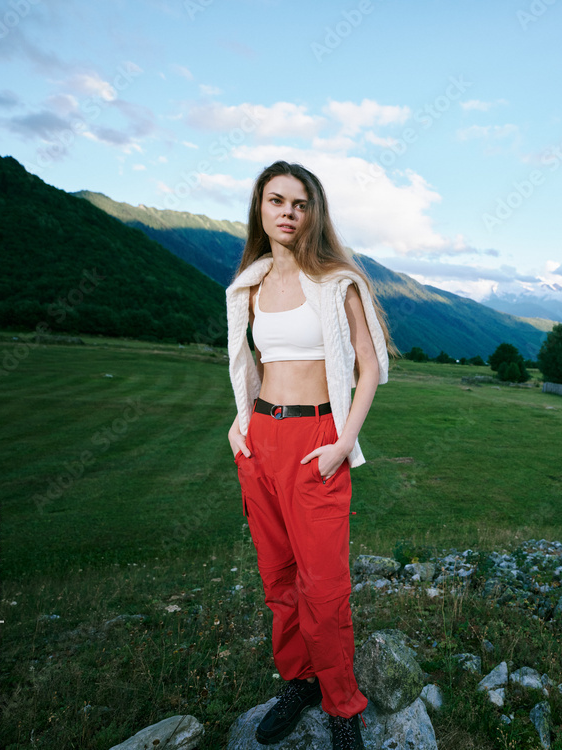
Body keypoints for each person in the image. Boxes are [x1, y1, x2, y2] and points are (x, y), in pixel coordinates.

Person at [225, 161, 391, 749]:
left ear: (313, 212)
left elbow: (372, 366)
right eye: (276, 201)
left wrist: (344, 441)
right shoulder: (251, 283)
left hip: (316, 441)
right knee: (279, 579)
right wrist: (239, 423)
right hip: (260, 442)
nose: (288, 212)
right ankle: (298, 682)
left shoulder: (338, 280)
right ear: (261, 209)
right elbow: (252, 364)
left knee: (324, 587)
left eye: (299, 203)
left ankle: (343, 706)